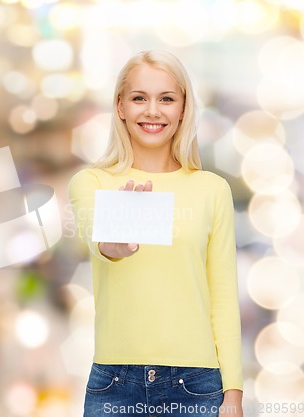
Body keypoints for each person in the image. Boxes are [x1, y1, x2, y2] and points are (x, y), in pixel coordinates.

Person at [68, 50, 243, 417]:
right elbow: (100, 242)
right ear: (120, 107)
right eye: (138, 98)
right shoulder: (91, 183)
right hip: (114, 384)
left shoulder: (211, 190)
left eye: (166, 98)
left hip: (196, 385)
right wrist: (114, 244)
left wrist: (233, 397)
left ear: (183, 108)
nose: (152, 111)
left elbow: (223, 299)